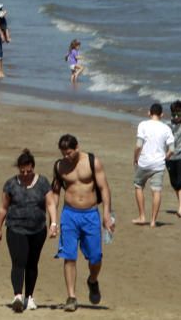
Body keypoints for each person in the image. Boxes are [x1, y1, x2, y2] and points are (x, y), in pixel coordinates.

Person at [47, 134, 113, 313]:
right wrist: (53, 222)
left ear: (77, 148)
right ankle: (71, 297)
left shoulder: (92, 162)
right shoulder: (59, 166)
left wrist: (107, 214)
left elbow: (104, 188)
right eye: (63, 153)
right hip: (69, 214)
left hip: (90, 215)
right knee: (69, 256)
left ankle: (92, 280)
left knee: (95, 257)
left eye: (69, 153)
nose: (66, 156)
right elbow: (55, 193)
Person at [0, 149, 52, 313]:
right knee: (19, 261)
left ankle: (30, 297)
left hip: (38, 229)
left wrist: (54, 223)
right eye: (22, 171)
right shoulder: (11, 184)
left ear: (33, 168)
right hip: (15, 228)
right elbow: (3, 208)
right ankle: (18, 296)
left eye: (29, 171)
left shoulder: (42, 183)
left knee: (32, 263)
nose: (26, 174)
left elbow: (50, 204)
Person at [132, 103, 175, 227]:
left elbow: (139, 145)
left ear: (149, 113)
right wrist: (165, 157)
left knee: (138, 185)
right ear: (162, 114)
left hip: (144, 162)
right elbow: (172, 149)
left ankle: (142, 216)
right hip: (159, 164)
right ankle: (153, 221)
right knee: (156, 191)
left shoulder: (143, 125)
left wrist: (135, 158)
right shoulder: (166, 128)